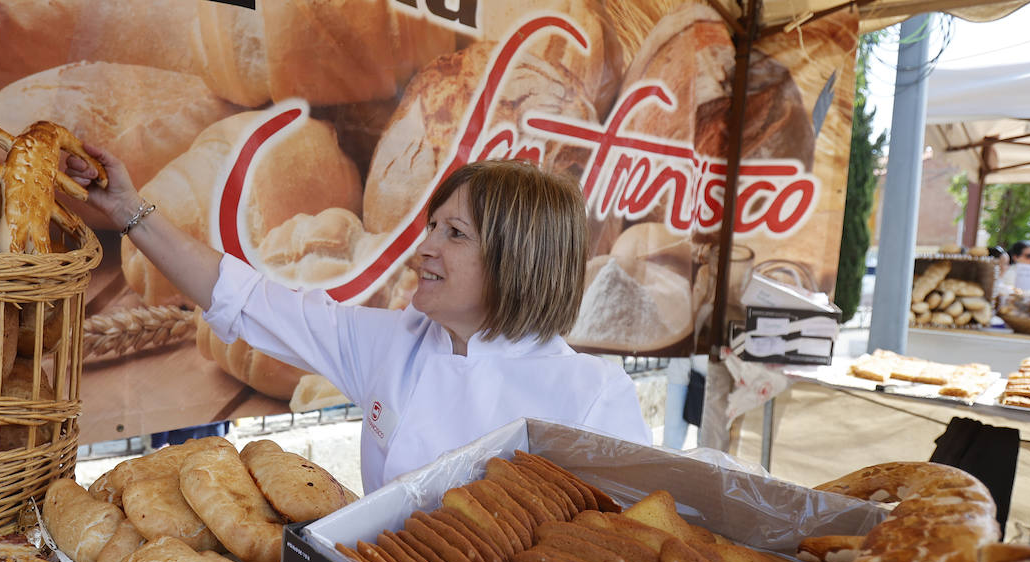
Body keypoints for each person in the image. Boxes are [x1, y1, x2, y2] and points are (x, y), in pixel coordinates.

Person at [66, 148, 651, 493]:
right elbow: (245, 299)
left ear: (518, 259)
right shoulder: (392, 345)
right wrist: (128, 212)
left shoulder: (592, 398)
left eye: (454, 233)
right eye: (430, 226)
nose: (424, 247)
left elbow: (622, 552)